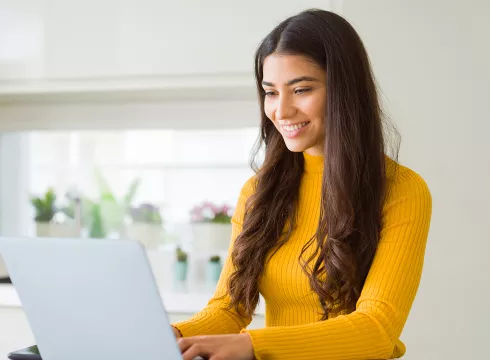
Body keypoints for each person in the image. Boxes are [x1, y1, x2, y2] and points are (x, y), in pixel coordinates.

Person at [171, 9, 432, 360]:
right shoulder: (258, 192)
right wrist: (165, 335)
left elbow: (376, 329)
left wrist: (254, 345)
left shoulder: (401, 190)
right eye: (271, 92)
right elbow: (228, 310)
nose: (282, 110)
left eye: (301, 89)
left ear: (344, 89)